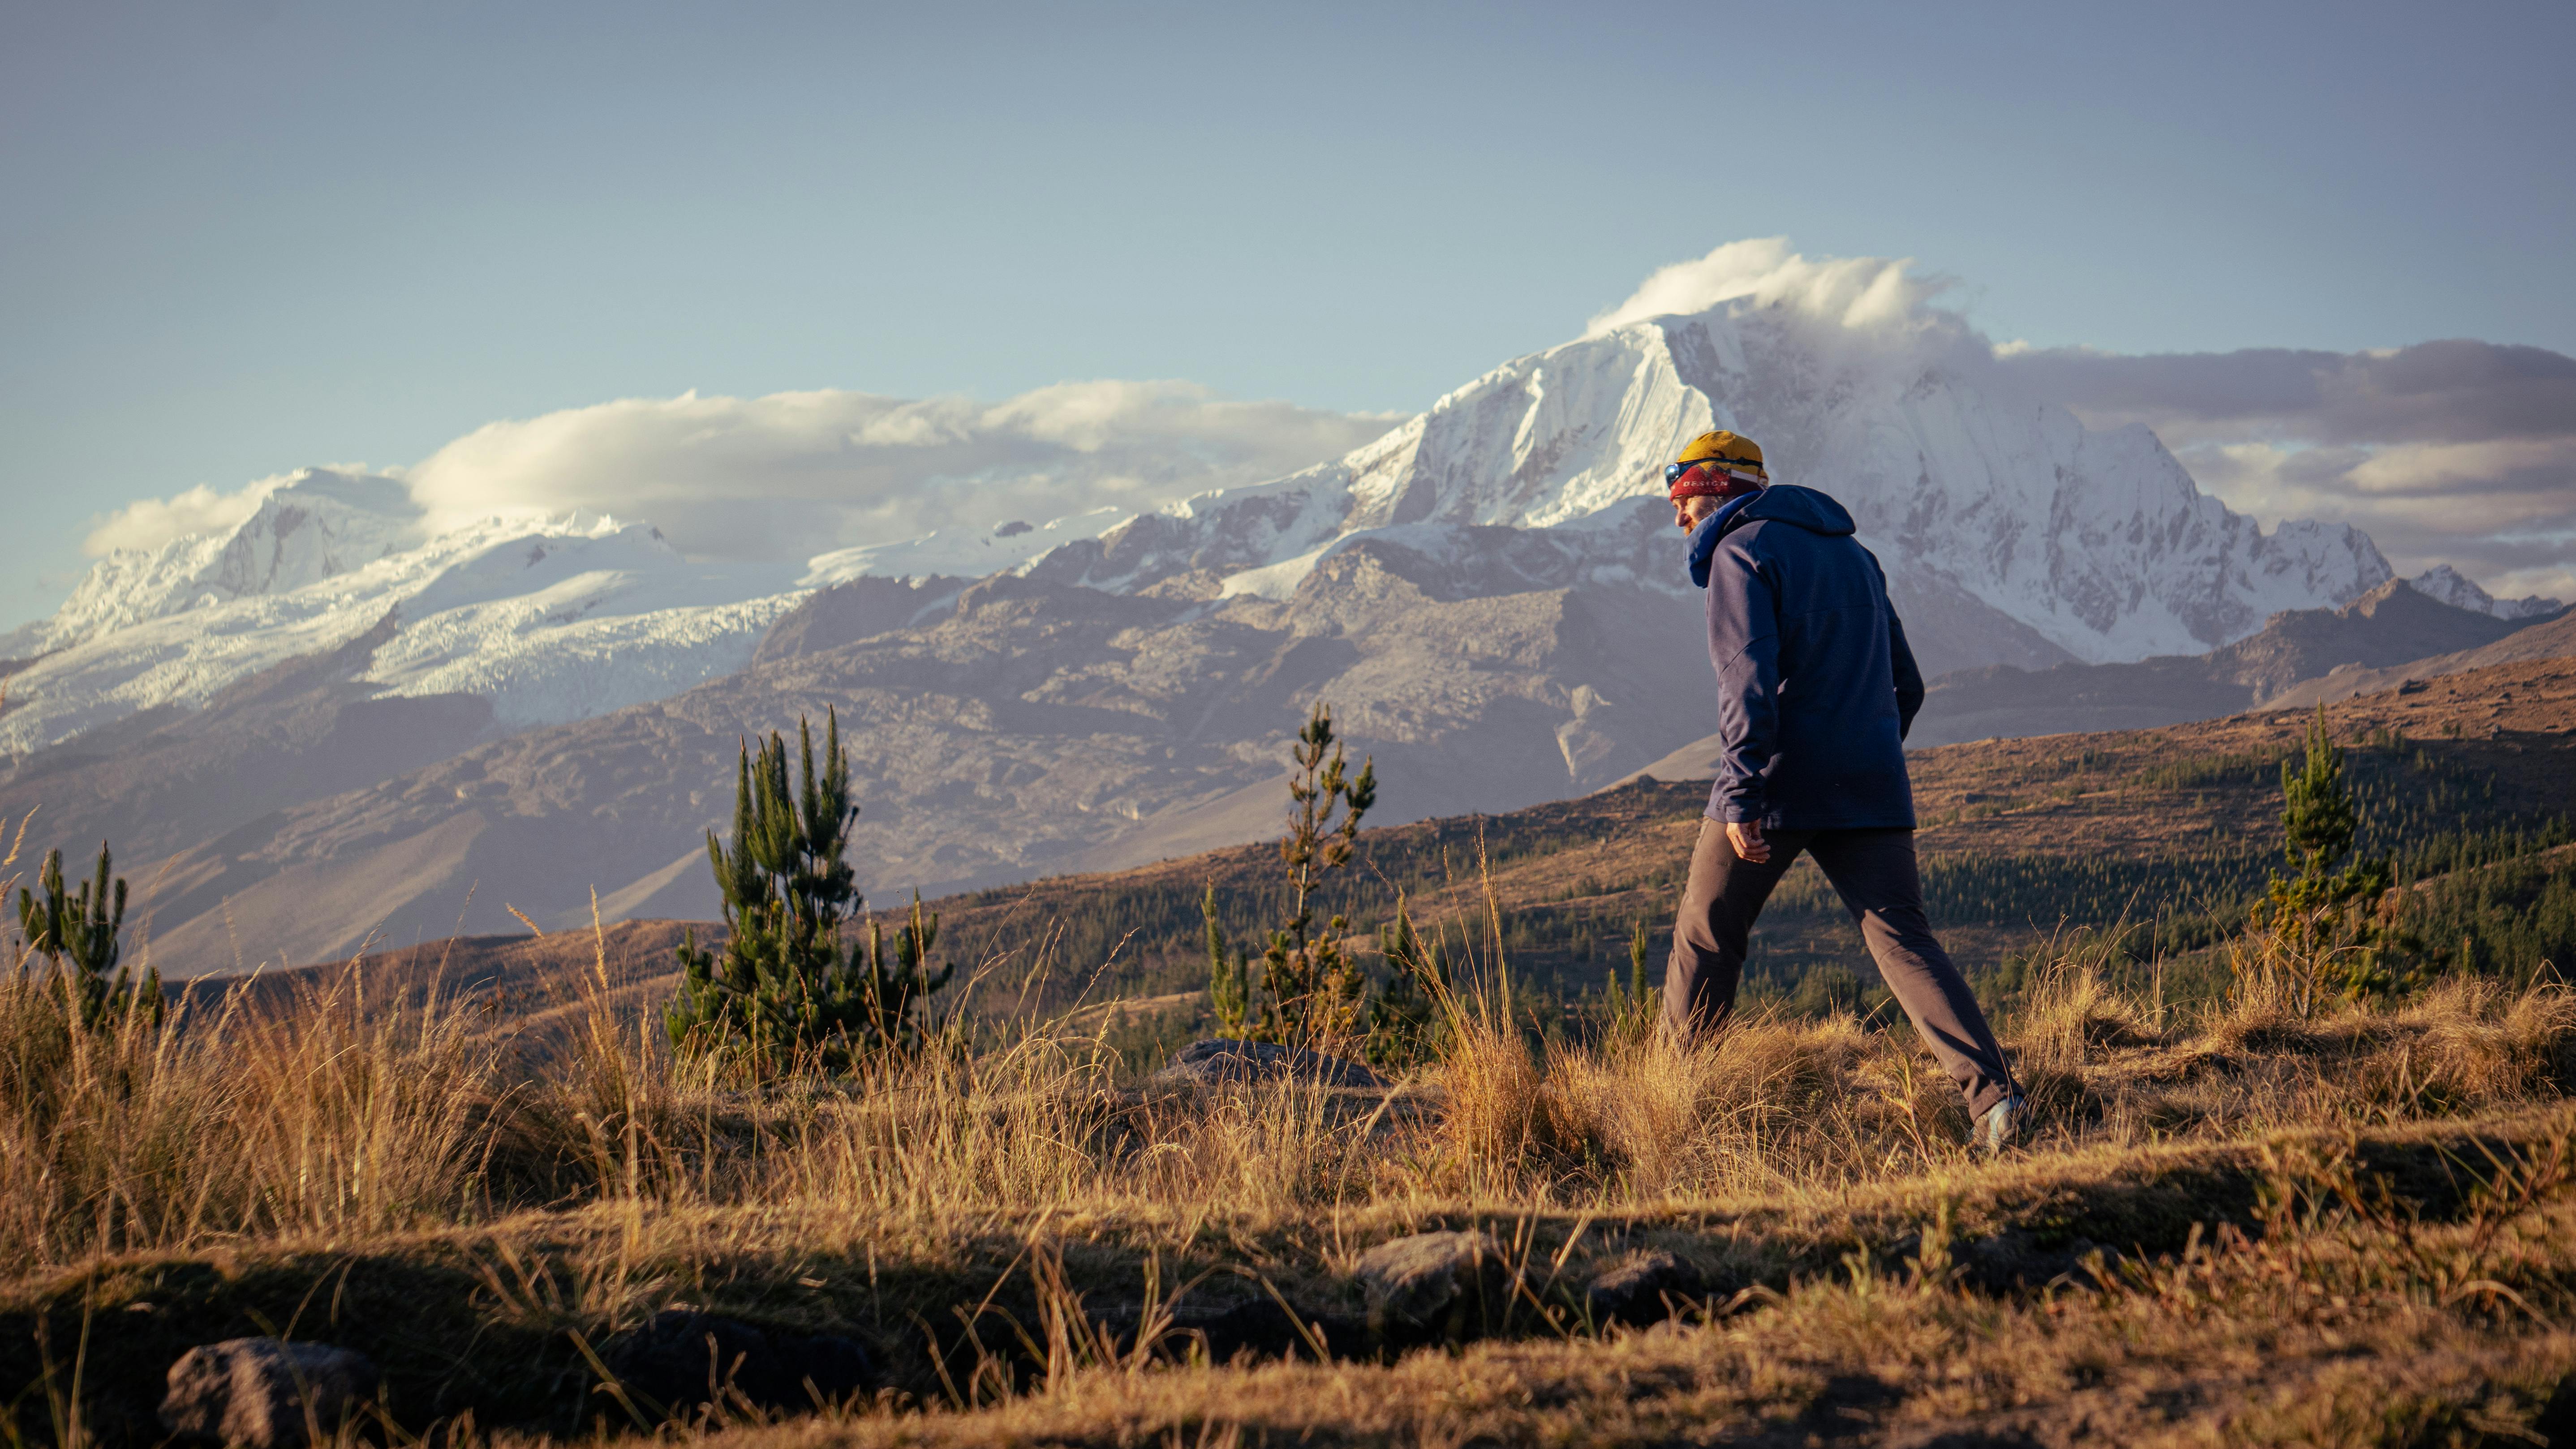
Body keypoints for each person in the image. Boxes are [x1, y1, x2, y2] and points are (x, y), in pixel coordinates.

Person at [1660, 430, 2026, 1153]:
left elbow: (1748, 683)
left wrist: (1741, 792)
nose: (1677, 517)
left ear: (1721, 488)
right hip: (1870, 781)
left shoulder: (1742, 553)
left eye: (1683, 497)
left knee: (1707, 932)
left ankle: (1674, 1108)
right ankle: (1996, 1100)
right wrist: (1865, 750)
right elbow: (1907, 685)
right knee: (1902, 938)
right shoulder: (1856, 557)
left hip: (1776, 781)